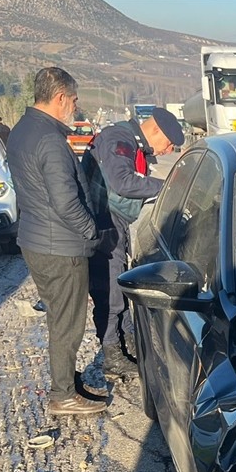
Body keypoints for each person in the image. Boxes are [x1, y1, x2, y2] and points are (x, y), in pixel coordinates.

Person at [6, 67, 106, 416]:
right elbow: (65, 201)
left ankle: (67, 382)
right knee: (68, 323)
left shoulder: (22, 130)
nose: (76, 107)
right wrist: (90, 231)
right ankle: (62, 395)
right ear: (60, 97)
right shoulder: (49, 139)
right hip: (60, 246)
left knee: (59, 317)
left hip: (37, 240)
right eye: (74, 100)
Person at [84, 106, 185, 379]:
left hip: (111, 220)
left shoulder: (130, 141)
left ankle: (127, 341)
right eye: (169, 144)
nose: (167, 151)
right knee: (109, 289)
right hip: (102, 222)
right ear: (156, 130)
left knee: (117, 284)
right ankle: (112, 355)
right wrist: (169, 187)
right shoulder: (119, 139)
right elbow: (123, 182)